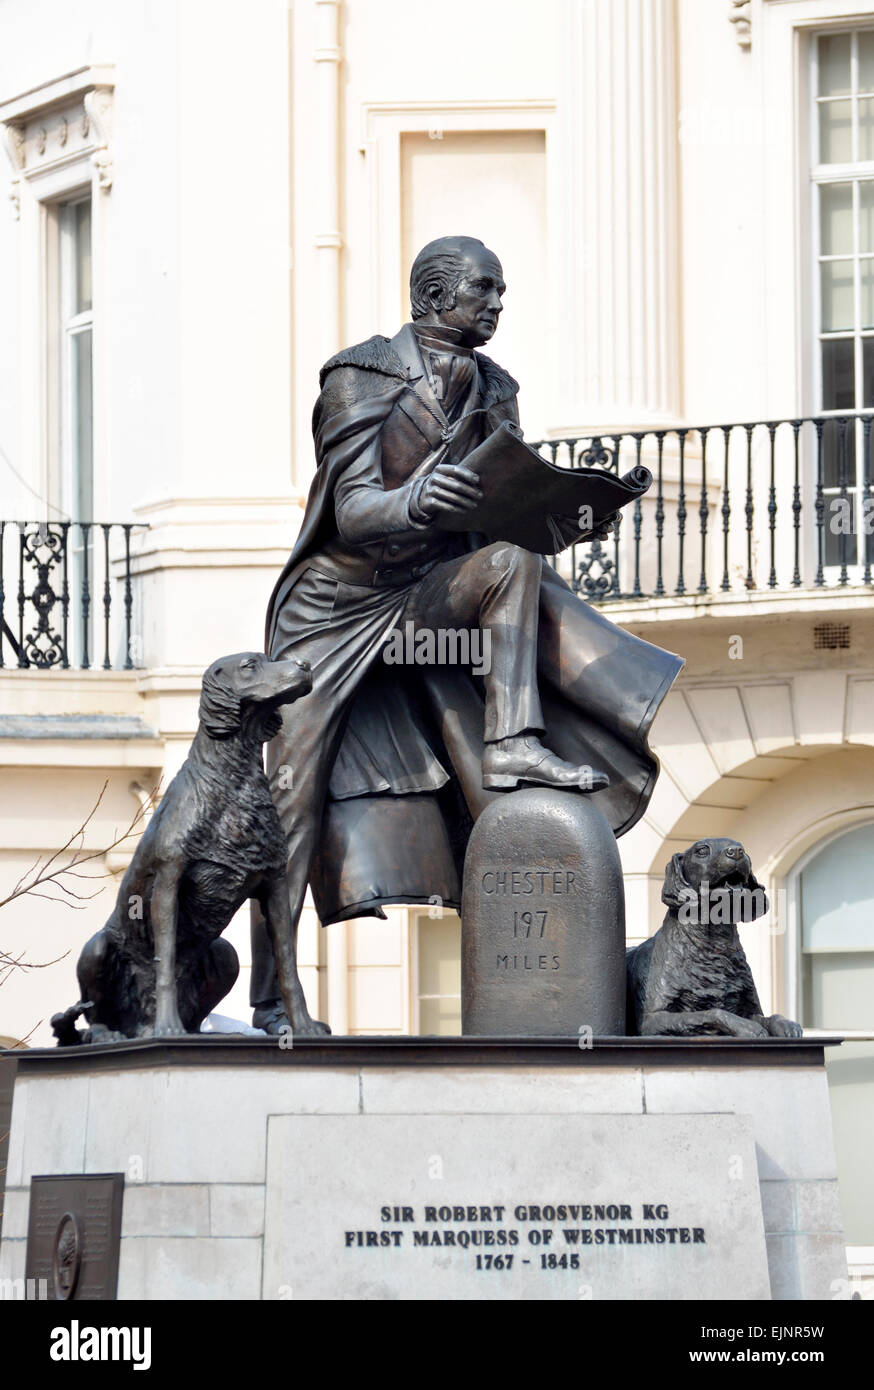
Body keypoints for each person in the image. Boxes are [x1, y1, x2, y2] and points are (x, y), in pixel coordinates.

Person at [250, 235, 683, 1032]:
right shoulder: (361, 375)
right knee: (290, 794)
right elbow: (352, 511)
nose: (497, 304)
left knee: (514, 563)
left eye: (501, 290)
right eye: (484, 288)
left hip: (425, 595)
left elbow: (499, 511)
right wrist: (417, 499)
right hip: (333, 607)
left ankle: (513, 739)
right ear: (431, 297)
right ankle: (274, 998)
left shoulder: (496, 386)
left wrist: (574, 509)